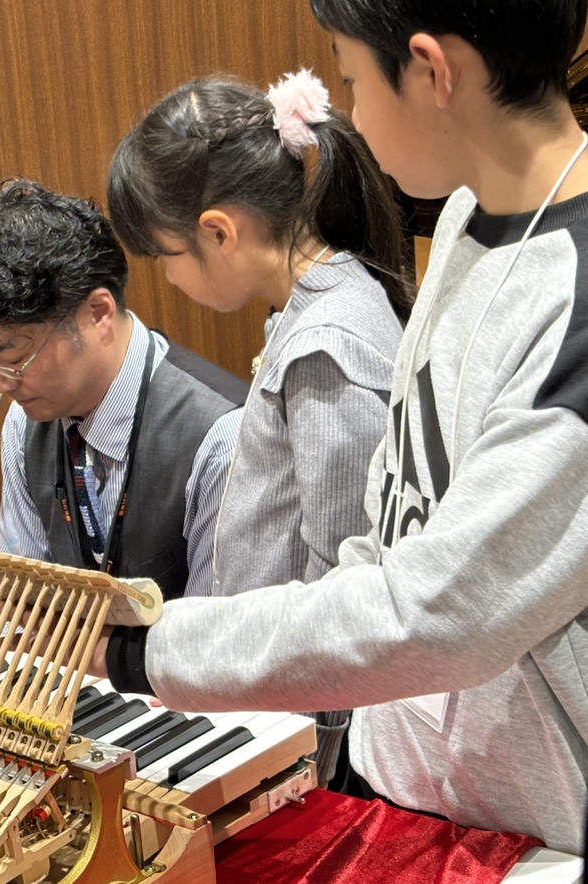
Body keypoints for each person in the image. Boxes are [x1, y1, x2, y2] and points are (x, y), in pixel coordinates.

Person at [94, 0, 588, 852]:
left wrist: (141, 650)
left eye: (353, 79)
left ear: (431, 71)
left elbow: (437, 613)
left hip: (530, 833)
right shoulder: (466, 214)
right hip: (415, 787)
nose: (347, 114)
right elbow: (387, 529)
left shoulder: (572, 300)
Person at [106, 70, 411, 785]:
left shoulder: (328, 344)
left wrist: (309, 760)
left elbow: (345, 592)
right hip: (277, 699)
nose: (167, 279)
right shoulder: (307, 308)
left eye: (165, 257)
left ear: (219, 232)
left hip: (311, 728)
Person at [0, 179, 247, 600]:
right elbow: (25, 600)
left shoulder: (222, 439)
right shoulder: (25, 422)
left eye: (12, 358)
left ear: (98, 313)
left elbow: (220, 631)